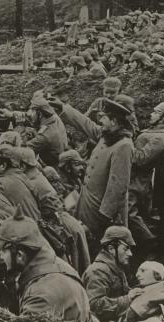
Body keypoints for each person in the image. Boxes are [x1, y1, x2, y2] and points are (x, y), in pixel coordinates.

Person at [52, 97, 134, 244]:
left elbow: (118, 186)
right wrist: (63, 107)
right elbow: (86, 124)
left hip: (99, 210)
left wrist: (105, 215)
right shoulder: (106, 134)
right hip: (87, 201)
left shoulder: (124, 146)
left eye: (104, 118)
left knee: (95, 241)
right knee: (82, 236)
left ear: (114, 121)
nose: (100, 121)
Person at [0, 206, 90, 322]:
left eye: (3, 251)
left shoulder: (40, 295)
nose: (0, 256)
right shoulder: (59, 266)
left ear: (20, 255)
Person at [128, 102, 164, 253]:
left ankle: (150, 244)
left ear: (162, 119)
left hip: (139, 179)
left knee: (129, 212)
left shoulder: (160, 138)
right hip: (139, 178)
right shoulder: (155, 132)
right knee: (143, 214)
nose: (151, 115)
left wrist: (126, 143)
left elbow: (141, 159)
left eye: (155, 113)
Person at [82, 226, 143, 322]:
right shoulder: (98, 270)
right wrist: (128, 299)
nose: (130, 253)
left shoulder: (115, 267)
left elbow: (122, 292)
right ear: (111, 249)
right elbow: (94, 306)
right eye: (126, 249)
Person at [0, 95, 69, 168]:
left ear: (40, 114)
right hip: (59, 153)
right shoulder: (53, 117)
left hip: (51, 165)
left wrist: (12, 140)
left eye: (33, 111)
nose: (30, 113)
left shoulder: (45, 136)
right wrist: (12, 114)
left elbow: (23, 151)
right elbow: (30, 116)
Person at [0, 145, 42, 221]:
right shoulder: (20, 175)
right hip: (35, 224)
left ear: (4, 165)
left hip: (23, 227)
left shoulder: (0, 182)